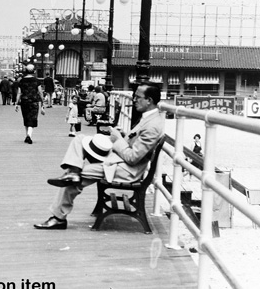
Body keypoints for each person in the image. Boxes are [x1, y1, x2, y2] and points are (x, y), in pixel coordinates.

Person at [35, 83, 166, 230]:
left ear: (149, 100)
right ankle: (73, 172)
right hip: (119, 159)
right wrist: (123, 135)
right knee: (80, 139)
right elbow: (135, 143)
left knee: (75, 179)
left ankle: (58, 217)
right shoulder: (150, 118)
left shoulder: (153, 126)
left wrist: (118, 139)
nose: (134, 100)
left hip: (125, 169)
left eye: (137, 97)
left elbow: (133, 158)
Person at [15, 64, 44, 144]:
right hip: (34, 101)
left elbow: (19, 93)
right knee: (33, 118)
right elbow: (40, 92)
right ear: (34, 71)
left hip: (24, 102)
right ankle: (29, 135)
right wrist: (42, 103)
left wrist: (16, 103)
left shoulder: (21, 81)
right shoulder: (36, 81)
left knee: (26, 118)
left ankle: (27, 135)